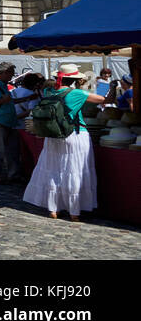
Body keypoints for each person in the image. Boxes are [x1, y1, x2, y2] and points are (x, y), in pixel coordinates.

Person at [23, 64, 108, 220]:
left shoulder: (48, 92)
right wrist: (110, 86)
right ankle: (74, 212)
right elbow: (106, 99)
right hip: (74, 134)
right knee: (74, 171)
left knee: (54, 171)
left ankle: (53, 209)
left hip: (52, 134)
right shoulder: (77, 93)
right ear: (74, 79)